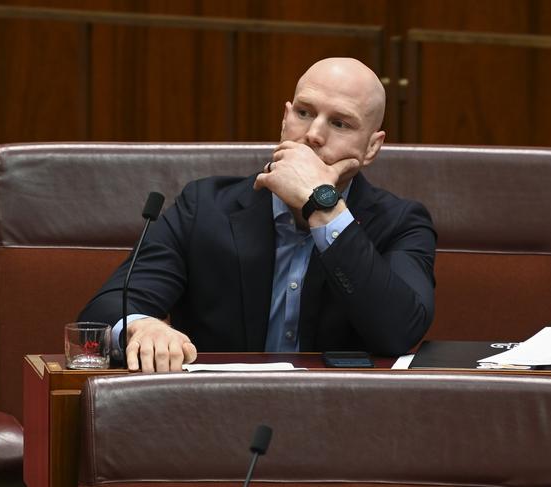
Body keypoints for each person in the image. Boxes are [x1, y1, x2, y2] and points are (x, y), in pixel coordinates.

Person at [79, 57, 436, 372]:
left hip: (337, 423)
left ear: (372, 146)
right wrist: (144, 326)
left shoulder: (400, 223)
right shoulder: (204, 206)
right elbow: (103, 311)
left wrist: (323, 207)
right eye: (304, 113)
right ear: (284, 119)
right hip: (216, 419)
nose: (312, 134)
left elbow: (399, 331)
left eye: (340, 124)